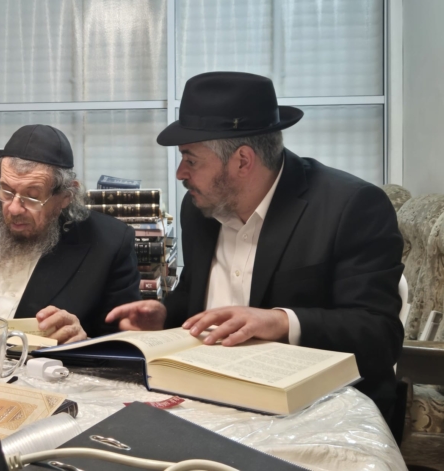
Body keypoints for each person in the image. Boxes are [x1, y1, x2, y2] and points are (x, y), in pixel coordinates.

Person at [106, 71, 404, 419]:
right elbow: (196, 291)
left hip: (315, 408)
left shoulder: (350, 206)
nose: (180, 173)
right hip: (204, 396)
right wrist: (165, 314)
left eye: (191, 159)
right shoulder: (199, 208)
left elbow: (379, 334)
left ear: (243, 161)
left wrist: (281, 322)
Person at [0, 124, 141, 344]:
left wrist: (84, 341)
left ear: (66, 197)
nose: (14, 209)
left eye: (32, 197)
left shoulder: (109, 245)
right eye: (7, 191)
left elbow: (124, 344)